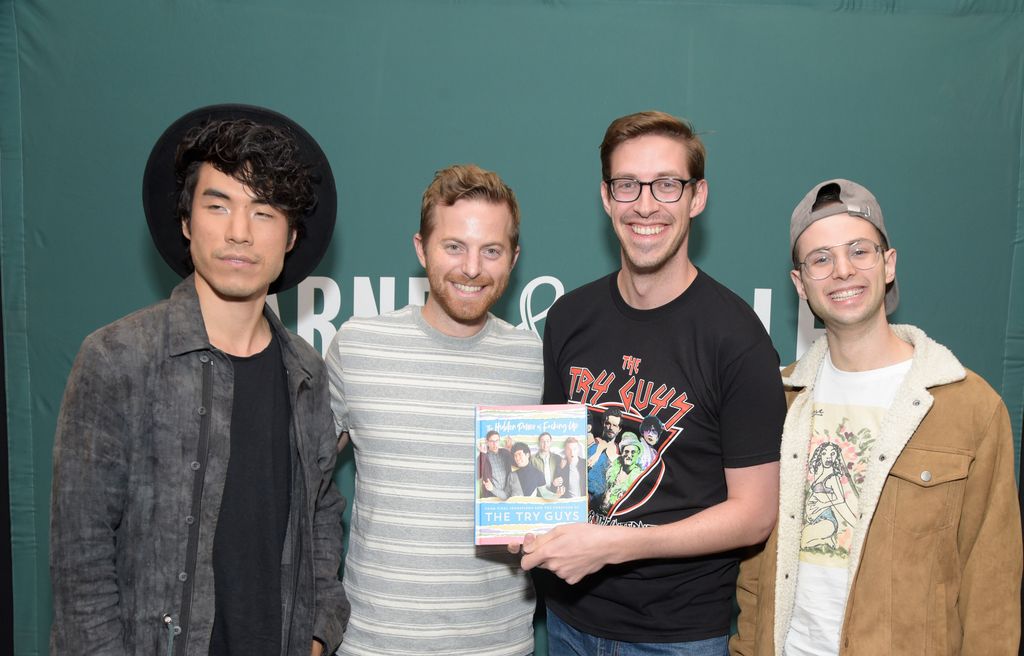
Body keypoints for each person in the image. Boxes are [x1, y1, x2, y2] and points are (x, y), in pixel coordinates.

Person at [49, 104, 349, 655]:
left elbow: (322, 512)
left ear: (289, 237)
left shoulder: (305, 369)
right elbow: (80, 560)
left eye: (263, 212)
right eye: (219, 205)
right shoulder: (117, 358)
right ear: (186, 222)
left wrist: (317, 629)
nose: (239, 232)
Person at [521, 110, 786, 654]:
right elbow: (557, 471)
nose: (646, 205)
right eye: (628, 185)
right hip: (570, 621)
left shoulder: (736, 337)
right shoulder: (571, 317)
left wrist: (615, 547)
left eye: (667, 184)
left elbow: (755, 515)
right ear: (606, 197)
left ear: (698, 197)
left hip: (676, 635)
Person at [731, 179, 1023, 655]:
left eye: (859, 251)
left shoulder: (969, 406)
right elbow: (754, 570)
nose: (842, 271)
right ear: (800, 284)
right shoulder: (776, 400)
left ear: (888, 265)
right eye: (821, 259)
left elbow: (992, 585)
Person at [325, 164, 543, 654]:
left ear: (513, 258)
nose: (471, 268)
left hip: (498, 645)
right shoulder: (359, 346)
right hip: (375, 643)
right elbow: (300, 484)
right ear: (421, 248)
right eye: (453, 247)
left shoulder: (534, 359)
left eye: (491, 250)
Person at [480, 429, 514, 498]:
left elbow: (516, 463)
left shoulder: (505, 452)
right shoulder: (484, 456)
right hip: (491, 495)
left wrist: (511, 449)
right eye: (492, 441)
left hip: (506, 493)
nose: (495, 444)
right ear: (487, 442)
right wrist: (482, 455)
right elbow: (478, 474)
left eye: (497, 441)